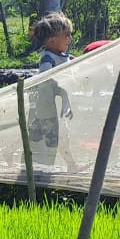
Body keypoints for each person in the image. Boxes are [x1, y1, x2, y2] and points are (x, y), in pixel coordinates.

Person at [28, 12, 77, 172]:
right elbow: (45, 75)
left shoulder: (63, 56)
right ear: (52, 40)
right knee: (53, 137)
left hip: (59, 104)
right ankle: (60, 167)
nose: (70, 39)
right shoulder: (48, 58)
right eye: (67, 35)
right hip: (48, 106)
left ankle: (70, 165)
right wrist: (60, 84)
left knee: (61, 136)